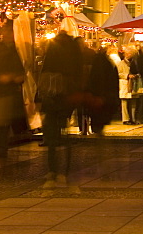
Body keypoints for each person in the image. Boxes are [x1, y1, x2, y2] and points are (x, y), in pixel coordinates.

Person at [38, 29, 83, 190]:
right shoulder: (72, 48)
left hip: (51, 97)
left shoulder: (53, 46)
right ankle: (64, 171)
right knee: (65, 133)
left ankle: (52, 169)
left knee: (52, 137)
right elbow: (79, 70)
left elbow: (44, 70)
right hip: (67, 95)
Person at [0, 22, 26, 159]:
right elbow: (20, 74)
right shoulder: (7, 53)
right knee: (0, 124)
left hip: (0, 93)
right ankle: (0, 148)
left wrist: (8, 78)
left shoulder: (2, 53)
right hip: (2, 93)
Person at [86, 46, 119, 135]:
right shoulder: (107, 63)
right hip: (105, 92)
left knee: (97, 112)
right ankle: (98, 129)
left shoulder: (97, 64)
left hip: (98, 92)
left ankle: (96, 128)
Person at [117, 47, 138, 124]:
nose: (129, 55)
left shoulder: (134, 63)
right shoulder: (121, 63)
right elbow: (118, 74)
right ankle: (125, 119)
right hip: (124, 84)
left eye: (130, 54)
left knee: (133, 102)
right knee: (124, 102)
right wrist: (127, 75)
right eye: (127, 53)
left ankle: (133, 118)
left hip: (132, 84)